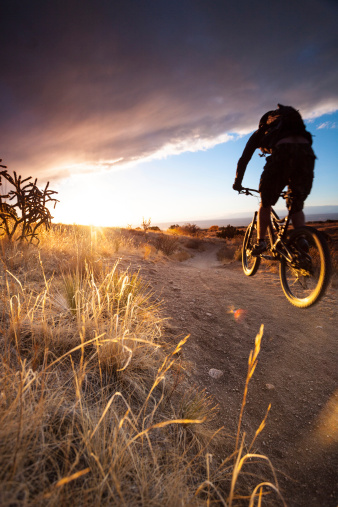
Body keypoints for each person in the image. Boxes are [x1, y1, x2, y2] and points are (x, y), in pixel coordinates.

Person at [233, 104, 316, 255]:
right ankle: (302, 240)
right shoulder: (294, 129)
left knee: (265, 202)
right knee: (296, 204)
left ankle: (261, 243)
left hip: (282, 154)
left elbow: (244, 159)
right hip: (307, 155)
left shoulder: (261, 132)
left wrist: (237, 183)